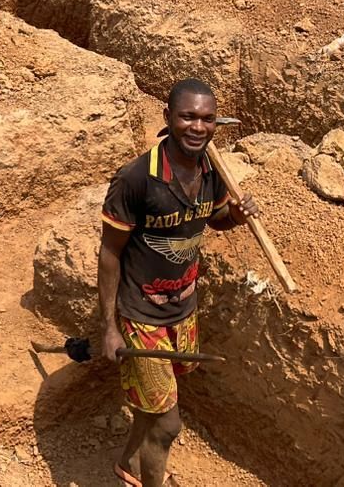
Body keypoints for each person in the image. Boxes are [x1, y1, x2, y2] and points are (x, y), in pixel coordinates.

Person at [99, 78, 258, 487]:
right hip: (141, 316)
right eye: (188, 116)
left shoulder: (212, 170)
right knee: (167, 425)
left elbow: (215, 219)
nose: (198, 127)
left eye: (207, 119)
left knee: (152, 408)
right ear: (168, 118)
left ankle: (127, 464)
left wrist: (236, 217)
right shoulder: (137, 179)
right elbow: (110, 253)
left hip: (184, 310)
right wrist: (110, 328)